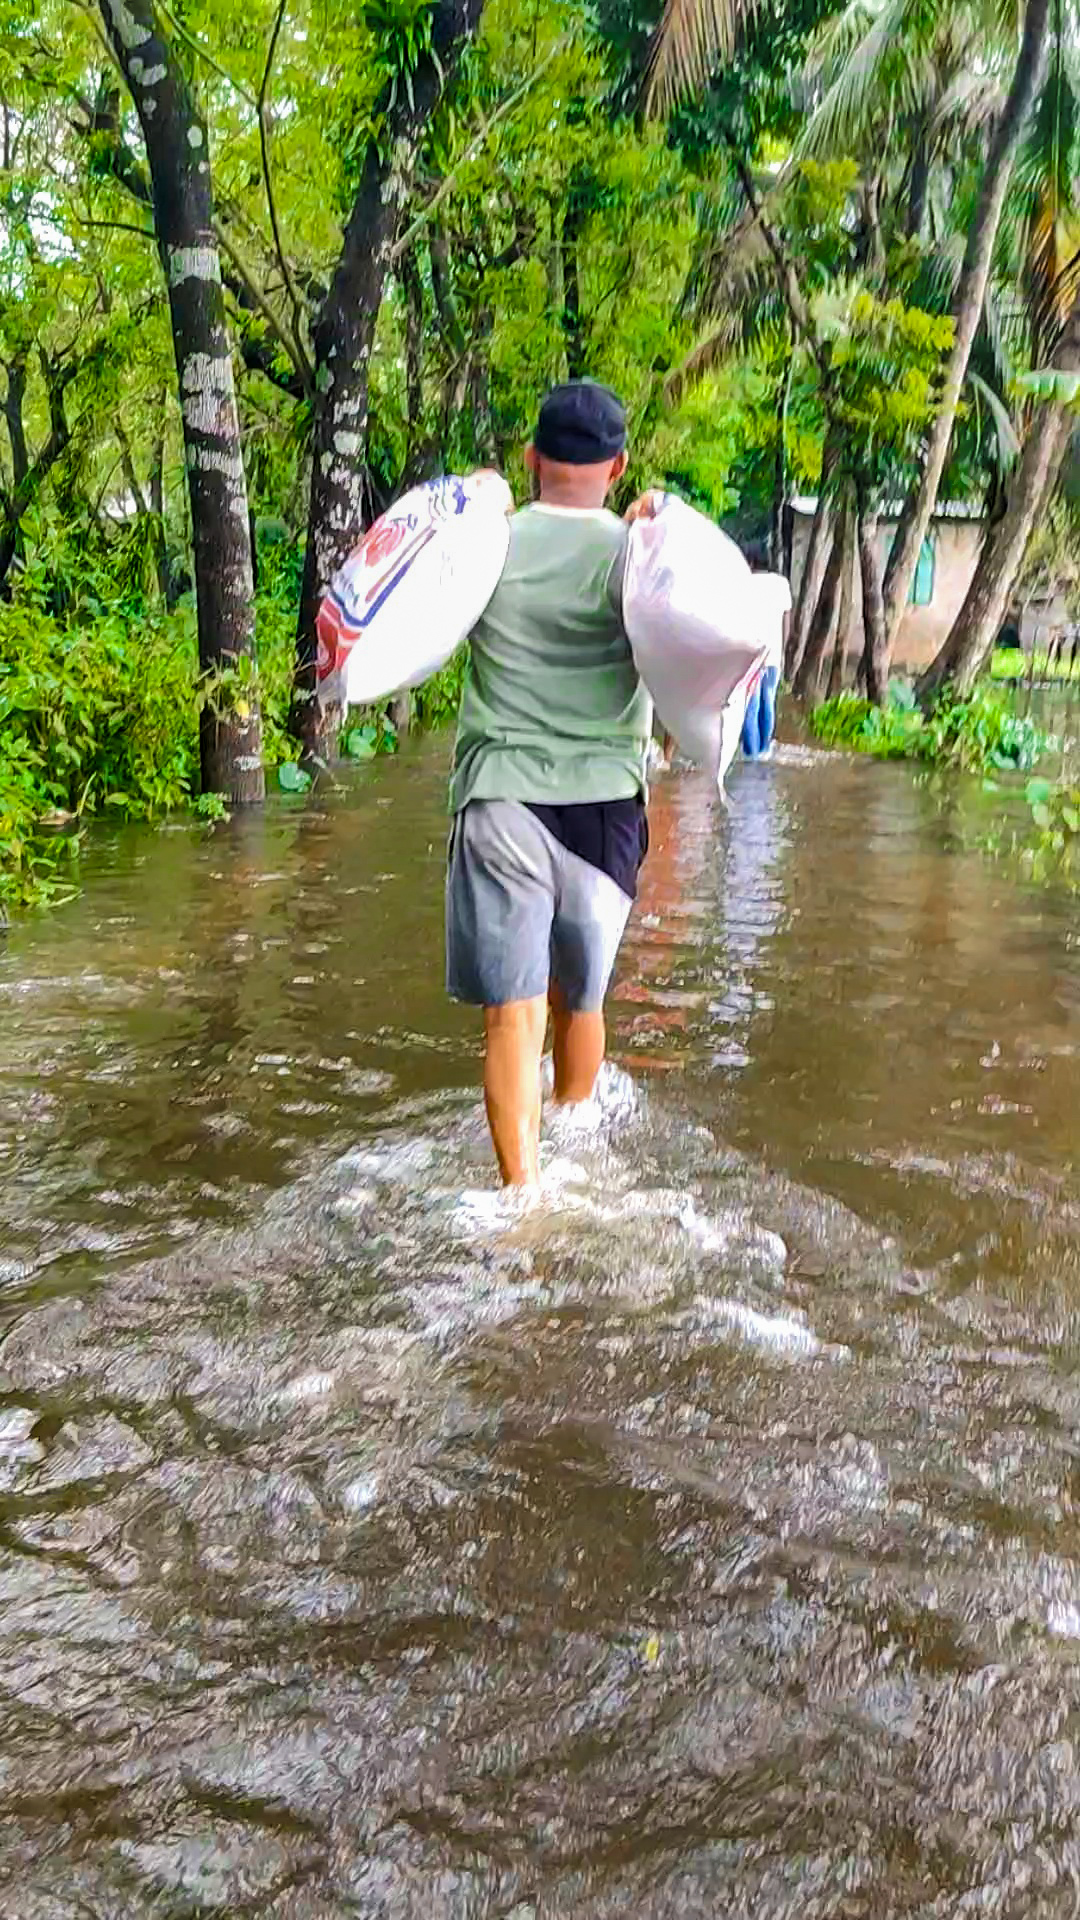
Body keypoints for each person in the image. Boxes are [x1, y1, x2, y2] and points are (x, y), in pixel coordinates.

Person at [446, 380, 656, 1187]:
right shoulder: (637, 556)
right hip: (605, 807)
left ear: (532, 458)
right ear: (619, 465)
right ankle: (575, 1147)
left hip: (501, 793)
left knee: (513, 1010)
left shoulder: (488, 545)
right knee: (582, 999)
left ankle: (522, 1196)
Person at [740, 540, 791, 761]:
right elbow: (787, 620)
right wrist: (783, 648)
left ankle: (752, 755)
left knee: (751, 704)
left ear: (750, 561)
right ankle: (765, 749)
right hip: (773, 652)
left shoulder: (745, 583)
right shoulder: (781, 584)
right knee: (768, 700)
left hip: (751, 654)